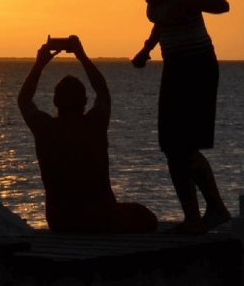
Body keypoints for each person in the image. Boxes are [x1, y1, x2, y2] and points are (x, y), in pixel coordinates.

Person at [127, 0, 231, 233]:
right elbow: (161, 19)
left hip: (196, 63)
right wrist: (146, 49)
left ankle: (213, 210)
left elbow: (221, 4)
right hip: (175, 63)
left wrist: (186, 2)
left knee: (180, 145)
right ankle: (195, 217)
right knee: (171, 145)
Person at [18, 35, 157, 234]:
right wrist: (82, 56)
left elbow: (24, 100)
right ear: (84, 101)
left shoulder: (45, 128)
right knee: (146, 217)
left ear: (55, 102)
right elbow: (102, 92)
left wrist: (39, 64)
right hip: (101, 217)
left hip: (61, 220)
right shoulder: (95, 124)